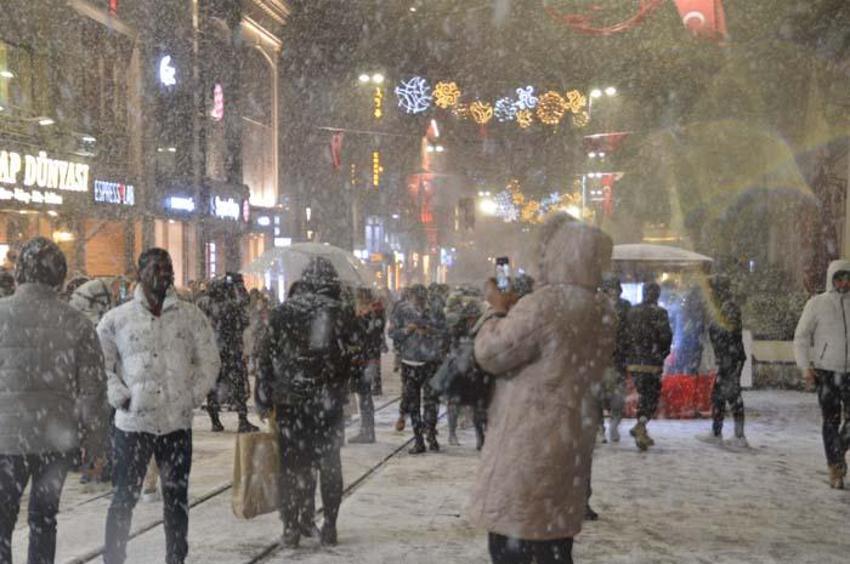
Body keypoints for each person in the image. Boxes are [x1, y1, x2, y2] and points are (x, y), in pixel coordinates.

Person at [469, 215, 614, 564]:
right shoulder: (601, 309)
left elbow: (491, 354)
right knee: (554, 546)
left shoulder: (546, 304)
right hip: (568, 442)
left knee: (512, 544)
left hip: (528, 445)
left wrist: (495, 311)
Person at [98, 248, 220, 564]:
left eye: (168, 269)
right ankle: (114, 558)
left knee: (176, 498)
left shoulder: (191, 317)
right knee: (124, 498)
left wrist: (190, 396)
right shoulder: (117, 319)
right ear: (140, 272)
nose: (164, 275)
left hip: (175, 424)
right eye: (157, 268)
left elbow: (209, 360)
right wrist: (120, 396)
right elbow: (101, 364)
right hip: (133, 424)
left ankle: (175, 558)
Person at [0, 237, 108, 564]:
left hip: (6, 439)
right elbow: (93, 391)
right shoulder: (77, 323)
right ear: (59, 276)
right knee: (44, 520)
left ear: (19, 273)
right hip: (55, 438)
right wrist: (96, 442)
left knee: (2, 523)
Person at [256, 258, 357, 548]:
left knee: (291, 466)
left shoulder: (282, 312)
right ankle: (330, 526)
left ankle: (290, 526)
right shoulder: (341, 313)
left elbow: (266, 357)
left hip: (291, 402)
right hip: (327, 404)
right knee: (329, 464)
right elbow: (353, 357)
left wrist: (264, 394)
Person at [793, 259, 850, 489]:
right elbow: (801, 337)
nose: (844, 282)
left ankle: (838, 453)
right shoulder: (817, 304)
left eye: (848, 277)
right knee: (831, 420)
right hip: (826, 371)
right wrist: (805, 366)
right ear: (831, 279)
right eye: (839, 277)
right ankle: (835, 467)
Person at [390, 284, 448, 454]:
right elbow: (392, 333)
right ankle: (418, 439)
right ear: (411, 297)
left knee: (431, 401)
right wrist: (407, 330)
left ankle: (430, 433)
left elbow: (445, 332)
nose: (419, 302)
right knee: (413, 402)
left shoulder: (435, 310)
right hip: (410, 362)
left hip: (430, 362)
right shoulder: (402, 310)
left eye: (422, 299)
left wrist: (429, 331)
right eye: (417, 298)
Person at [202, 273, 259, 433]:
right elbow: (244, 318)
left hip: (214, 348)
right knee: (238, 382)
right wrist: (239, 287)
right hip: (230, 349)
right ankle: (242, 419)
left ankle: (215, 420)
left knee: (214, 384)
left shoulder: (207, 303)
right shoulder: (231, 305)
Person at [626, 282, 672, 451]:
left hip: (634, 362)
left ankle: (642, 429)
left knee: (643, 395)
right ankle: (641, 425)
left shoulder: (632, 311)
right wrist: (661, 355)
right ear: (657, 295)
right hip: (651, 363)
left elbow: (624, 334)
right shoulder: (660, 313)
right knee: (651, 397)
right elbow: (666, 338)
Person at [704, 275, 748, 446]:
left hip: (731, 358)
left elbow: (729, 332)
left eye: (712, 290)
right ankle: (717, 432)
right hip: (727, 358)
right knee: (718, 396)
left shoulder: (729, 307)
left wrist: (714, 331)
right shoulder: (722, 307)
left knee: (733, 396)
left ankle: (738, 436)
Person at [350, 288, 385, 444]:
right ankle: (366, 429)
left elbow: (371, 335)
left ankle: (368, 431)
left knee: (365, 394)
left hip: (367, 358)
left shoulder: (373, 314)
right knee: (363, 394)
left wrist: (359, 320)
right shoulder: (367, 313)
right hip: (362, 359)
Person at [600, 275, 631, 443]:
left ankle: (605, 427)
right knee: (612, 394)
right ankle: (610, 425)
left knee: (602, 394)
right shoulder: (625, 306)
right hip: (614, 357)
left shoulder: (597, 306)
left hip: (606, 358)